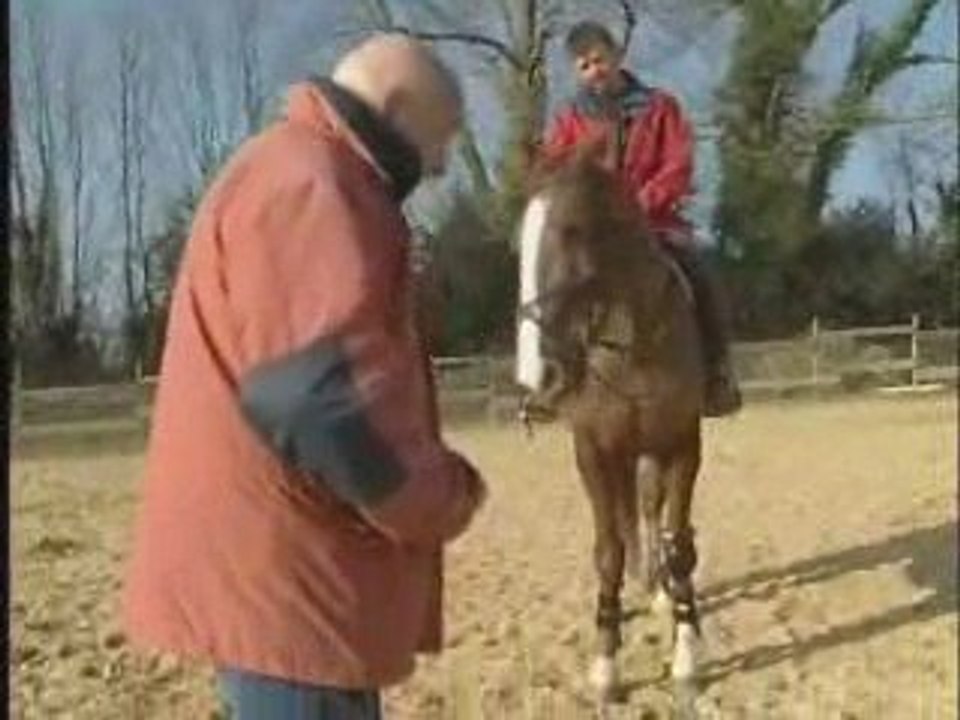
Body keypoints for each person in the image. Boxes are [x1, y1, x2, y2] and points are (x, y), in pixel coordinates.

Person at [121, 34, 487, 720]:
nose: (439, 166)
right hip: (296, 593)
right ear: (399, 105)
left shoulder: (298, 169)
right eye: (443, 139)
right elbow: (319, 398)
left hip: (291, 588)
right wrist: (439, 497)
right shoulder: (316, 181)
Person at [540, 20, 742, 417]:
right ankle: (552, 376)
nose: (594, 70)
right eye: (584, 66)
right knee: (553, 284)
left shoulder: (660, 107)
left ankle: (717, 373)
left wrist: (640, 205)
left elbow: (678, 165)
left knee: (700, 273)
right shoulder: (569, 122)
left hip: (656, 223)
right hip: (594, 236)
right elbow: (558, 174)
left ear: (616, 57)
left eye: (599, 60)